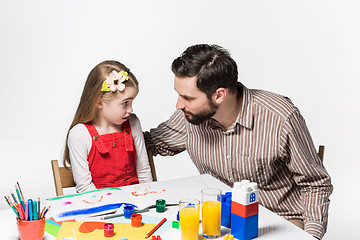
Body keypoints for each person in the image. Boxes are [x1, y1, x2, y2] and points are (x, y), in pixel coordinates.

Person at [145, 44, 333, 239]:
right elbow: (148, 143)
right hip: (221, 221)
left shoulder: (280, 117)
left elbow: (315, 184)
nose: (178, 104)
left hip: (278, 221)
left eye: (187, 97)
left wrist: (310, 237)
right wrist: (112, 112)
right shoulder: (190, 115)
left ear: (219, 95)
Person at [64, 60, 152, 193]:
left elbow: (144, 172)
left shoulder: (133, 123)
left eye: (132, 102)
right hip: (101, 207)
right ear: (100, 102)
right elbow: (85, 188)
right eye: (125, 103)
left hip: (136, 204)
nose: (131, 109)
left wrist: (148, 199)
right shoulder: (79, 134)